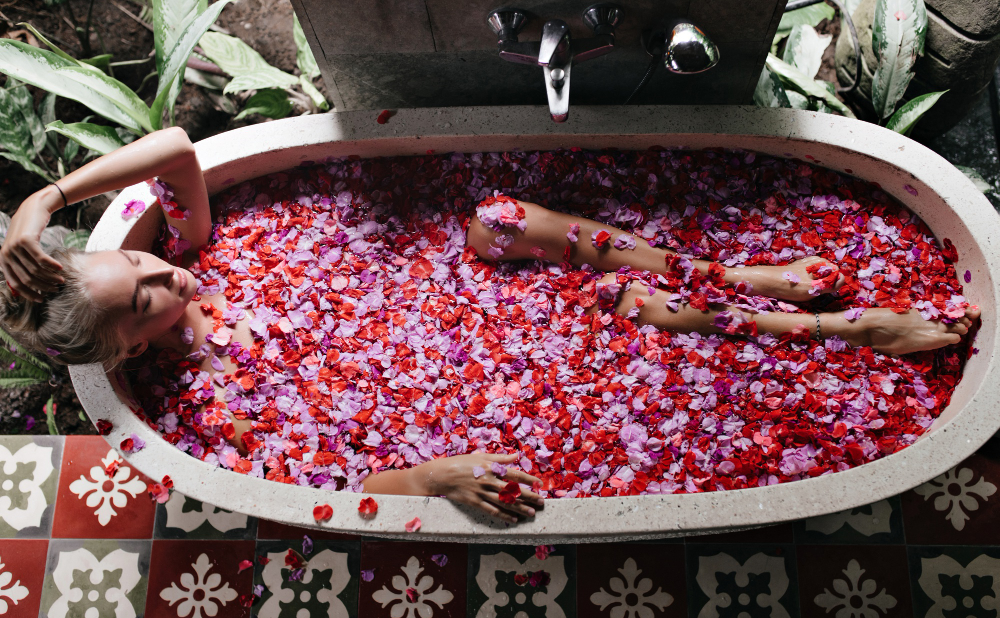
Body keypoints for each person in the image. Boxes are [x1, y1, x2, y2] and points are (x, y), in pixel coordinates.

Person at [0, 129, 980, 523]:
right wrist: (431, 478)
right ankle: (841, 332)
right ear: (132, 348)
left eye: (130, 257)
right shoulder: (200, 391)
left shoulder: (193, 249)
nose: (157, 268)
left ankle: (740, 276)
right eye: (140, 299)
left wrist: (44, 201)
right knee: (633, 326)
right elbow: (319, 479)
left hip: (459, 291)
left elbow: (175, 150)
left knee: (498, 216)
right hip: (484, 368)